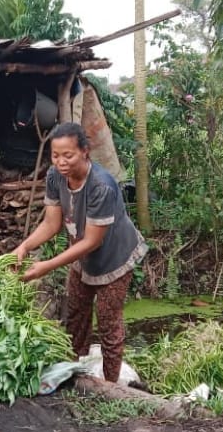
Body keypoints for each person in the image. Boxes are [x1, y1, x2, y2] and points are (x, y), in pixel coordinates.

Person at [11, 122, 147, 382]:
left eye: (68, 155)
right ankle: (73, 372)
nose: (61, 162)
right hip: (81, 257)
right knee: (75, 313)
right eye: (55, 155)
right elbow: (51, 223)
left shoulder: (101, 186)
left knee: (108, 322)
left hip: (114, 259)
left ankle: (110, 386)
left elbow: (92, 242)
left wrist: (46, 266)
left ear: (85, 151)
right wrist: (24, 247)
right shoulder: (54, 176)